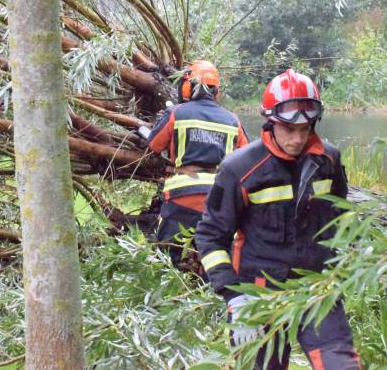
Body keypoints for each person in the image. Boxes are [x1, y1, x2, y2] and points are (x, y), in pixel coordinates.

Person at [195, 69, 361, 370]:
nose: (297, 139)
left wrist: (349, 265)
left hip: (317, 291)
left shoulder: (329, 161)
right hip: (258, 295)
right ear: (270, 121)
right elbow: (210, 237)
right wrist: (234, 297)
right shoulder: (239, 169)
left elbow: (340, 220)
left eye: (306, 129)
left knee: (341, 366)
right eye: (289, 129)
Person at [147, 60, 249, 269]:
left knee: (169, 257)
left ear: (187, 87)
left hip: (183, 196)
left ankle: (173, 286)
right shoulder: (233, 120)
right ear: (216, 91)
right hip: (220, 199)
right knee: (219, 259)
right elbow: (245, 158)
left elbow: (154, 145)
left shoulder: (177, 113)